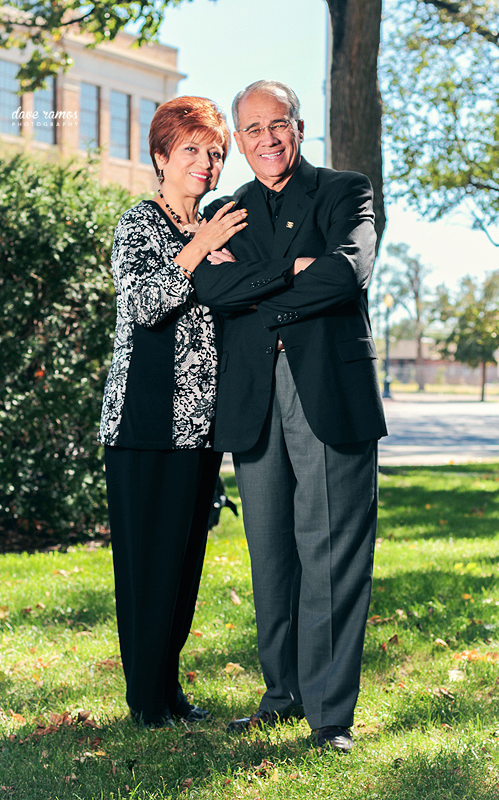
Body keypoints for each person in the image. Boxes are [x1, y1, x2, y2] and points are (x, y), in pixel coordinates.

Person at [192, 80, 387, 753]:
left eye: (278, 124)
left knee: (330, 551)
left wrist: (257, 283)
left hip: (328, 390)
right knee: (271, 553)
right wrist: (294, 269)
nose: (267, 138)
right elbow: (211, 287)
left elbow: (347, 271)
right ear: (239, 141)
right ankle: (282, 695)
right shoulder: (225, 210)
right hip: (253, 395)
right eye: (252, 129)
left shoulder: (344, 191)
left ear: (298, 129)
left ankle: (329, 716)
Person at [98, 96, 247, 728]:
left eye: (215, 153)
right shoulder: (140, 223)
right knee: (147, 567)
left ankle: (167, 690)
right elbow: (143, 306)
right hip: (143, 422)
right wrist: (198, 248)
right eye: (191, 150)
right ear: (161, 156)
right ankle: (145, 702)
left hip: (201, 426)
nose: (205, 163)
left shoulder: (217, 226)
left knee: (183, 569)